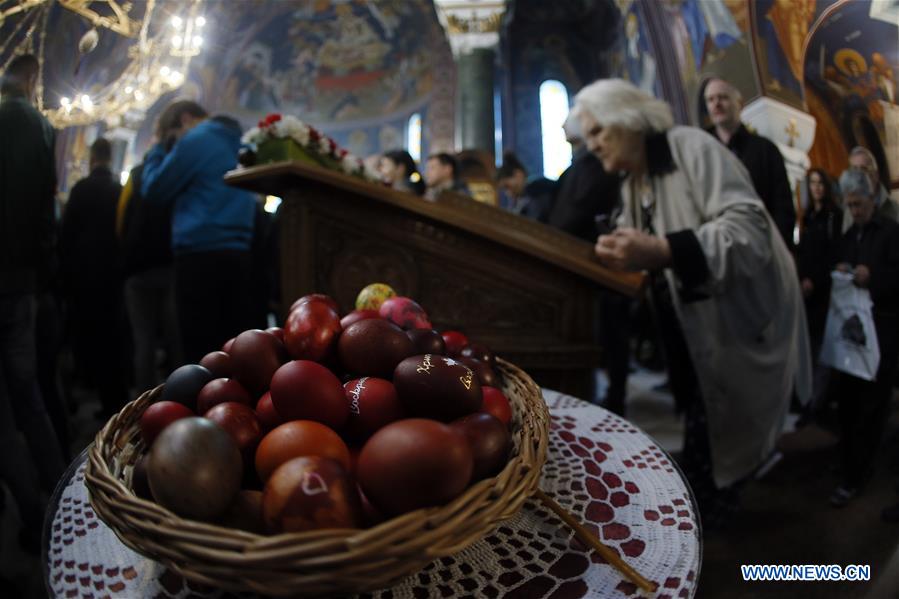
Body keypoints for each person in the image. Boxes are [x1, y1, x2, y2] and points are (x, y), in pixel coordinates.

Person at [575, 78, 811, 526]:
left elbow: (748, 231)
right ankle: (707, 501)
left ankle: (714, 519)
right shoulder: (632, 181)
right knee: (704, 420)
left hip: (738, 318)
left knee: (728, 426)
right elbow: (646, 246)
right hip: (692, 328)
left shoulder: (692, 148)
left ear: (627, 120)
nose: (593, 147)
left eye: (597, 132)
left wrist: (662, 251)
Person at [0, 53, 67, 553]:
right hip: (22, 283)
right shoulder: (43, 128)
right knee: (28, 395)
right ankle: (60, 498)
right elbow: (47, 209)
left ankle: (29, 511)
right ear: (32, 80)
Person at [141, 101, 257, 364]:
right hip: (240, 253)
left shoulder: (195, 138)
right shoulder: (240, 140)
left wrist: (159, 147)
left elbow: (154, 189)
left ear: (184, 119)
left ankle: (207, 404)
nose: (174, 145)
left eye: (173, 137)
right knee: (238, 348)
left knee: (202, 351)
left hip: (199, 255)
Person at [827, 169, 899, 508]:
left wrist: (876, 278)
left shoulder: (891, 232)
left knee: (873, 408)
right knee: (849, 404)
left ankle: (859, 473)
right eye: (850, 205)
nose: (855, 211)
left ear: (872, 200)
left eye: (860, 204)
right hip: (852, 337)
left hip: (882, 333)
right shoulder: (847, 236)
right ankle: (849, 466)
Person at [549, 114, 630, 414]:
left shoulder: (596, 163)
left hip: (596, 262)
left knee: (611, 334)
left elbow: (579, 210)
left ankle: (616, 395)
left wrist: (552, 237)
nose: (561, 128)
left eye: (566, 123)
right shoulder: (579, 163)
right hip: (575, 263)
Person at [60, 137, 130, 417]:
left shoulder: (79, 190)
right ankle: (120, 400)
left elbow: (66, 236)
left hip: (85, 278)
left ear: (91, 158)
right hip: (114, 276)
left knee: (93, 337)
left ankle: (102, 397)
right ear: (111, 157)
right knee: (116, 338)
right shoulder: (118, 190)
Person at [703, 77, 796, 249]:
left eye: (723, 97)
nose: (716, 104)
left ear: (739, 103)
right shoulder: (701, 154)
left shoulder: (765, 150)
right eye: (710, 99)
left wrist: (777, 249)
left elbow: (783, 207)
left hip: (763, 247)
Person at [841, 146, 897, 232]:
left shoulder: (894, 208)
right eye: (855, 170)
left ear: (875, 174)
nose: (859, 175)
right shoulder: (849, 211)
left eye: (863, 169)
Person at [496, 151, 557, 223]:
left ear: (518, 174)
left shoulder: (538, 189)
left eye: (507, 186)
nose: (508, 193)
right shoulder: (522, 198)